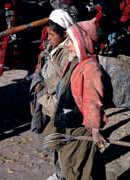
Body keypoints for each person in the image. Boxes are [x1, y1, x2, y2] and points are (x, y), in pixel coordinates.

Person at [45, 17, 108, 180]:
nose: (67, 45)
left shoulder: (90, 68)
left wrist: (95, 129)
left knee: (76, 168)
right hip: (70, 123)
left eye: (71, 41)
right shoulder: (75, 63)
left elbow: (93, 101)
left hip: (81, 127)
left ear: (82, 42)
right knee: (80, 164)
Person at [30, 9, 76, 134]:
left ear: (65, 34)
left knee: (54, 138)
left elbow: (64, 86)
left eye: (52, 35)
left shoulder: (68, 54)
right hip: (47, 100)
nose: (48, 38)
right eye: (48, 34)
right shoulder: (51, 48)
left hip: (57, 104)